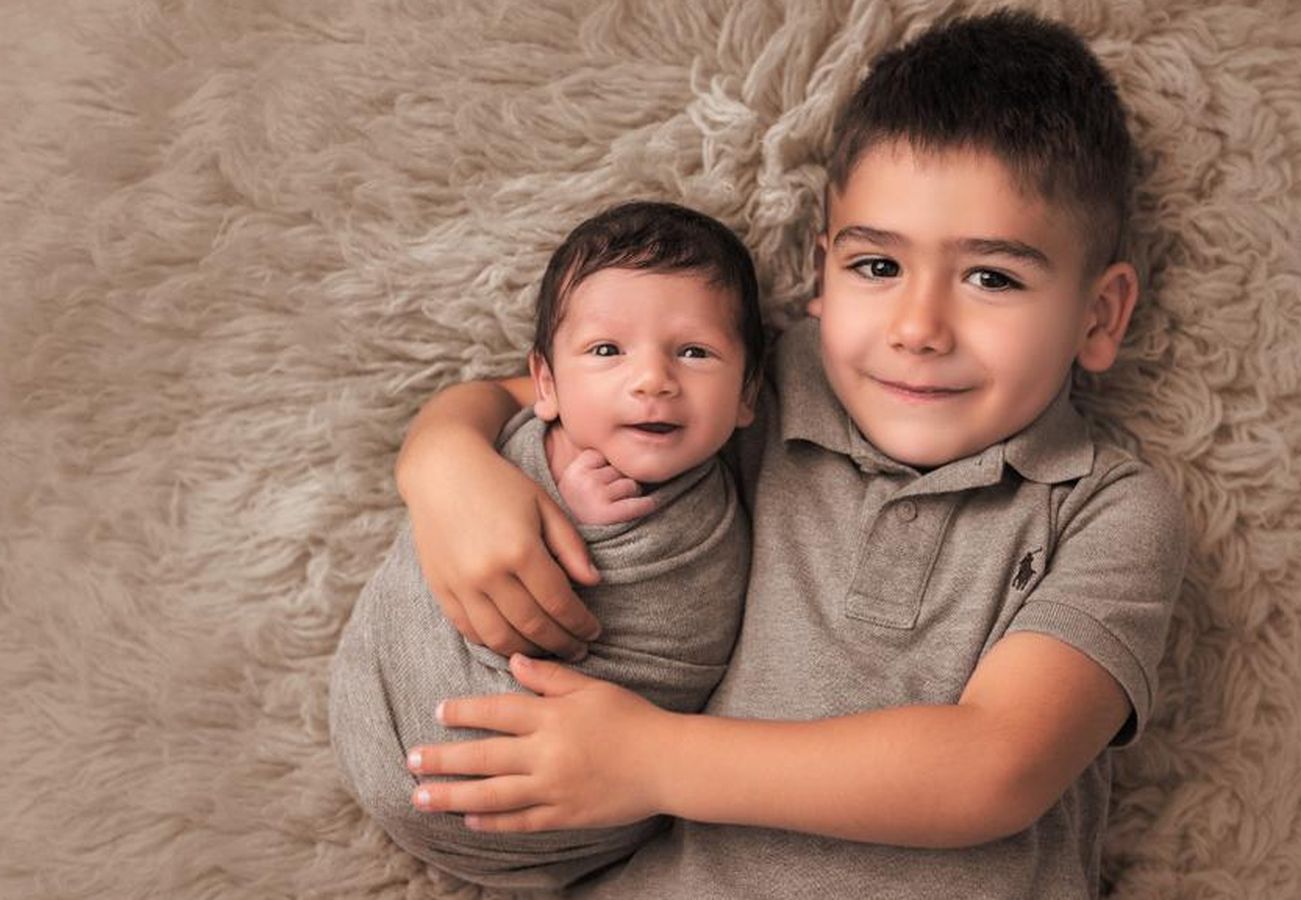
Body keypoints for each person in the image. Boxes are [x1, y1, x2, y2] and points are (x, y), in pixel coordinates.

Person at [391, 10, 1188, 898]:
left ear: (1100, 316)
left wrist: (652, 758)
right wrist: (443, 461)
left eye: (991, 278)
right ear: (822, 272)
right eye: (877, 268)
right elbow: (533, 395)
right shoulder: (761, 388)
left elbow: (994, 767)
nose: (918, 330)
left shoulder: (1106, 509)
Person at [328, 200, 764, 892]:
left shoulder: (713, 521)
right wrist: (549, 489)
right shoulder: (509, 450)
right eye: (607, 351)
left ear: (747, 396)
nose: (652, 379)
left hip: (577, 807)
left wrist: (597, 533)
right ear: (547, 386)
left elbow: (689, 633)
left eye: (693, 352)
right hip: (381, 719)